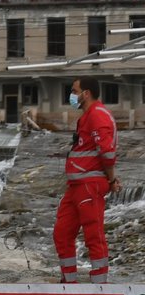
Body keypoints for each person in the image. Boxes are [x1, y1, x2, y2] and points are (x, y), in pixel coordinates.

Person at [56, 77, 121, 284]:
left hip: (89, 185)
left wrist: (111, 180)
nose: (72, 95)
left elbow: (107, 153)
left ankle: (99, 285)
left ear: (86, 93)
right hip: (76, 186)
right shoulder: (86, 117)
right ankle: (69, 283)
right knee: (62, 233)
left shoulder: (97, 115)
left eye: (75, 90)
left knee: (93, 234)